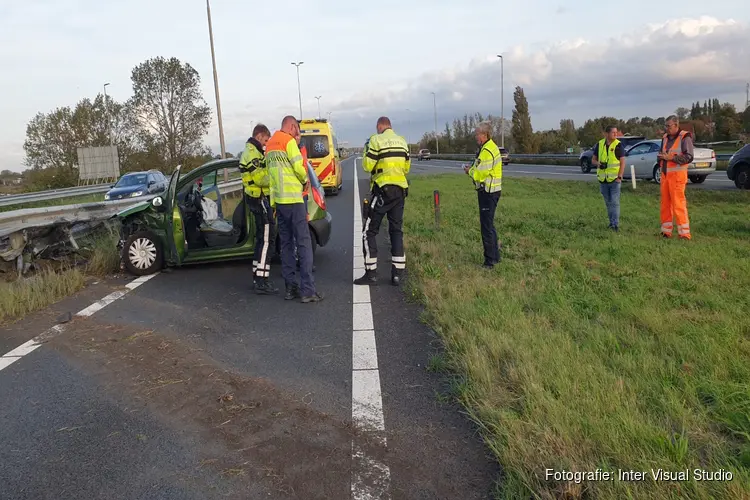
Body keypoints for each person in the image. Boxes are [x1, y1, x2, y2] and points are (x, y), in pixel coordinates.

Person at [265, 116, 323, 302]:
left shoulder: (270, 145)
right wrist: (306, 182)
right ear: (291, 127)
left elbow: (271, 176)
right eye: (297, 128)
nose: (297, 132)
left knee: (286, 245)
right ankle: (308, 290)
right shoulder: (288, 141)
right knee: (304, 244)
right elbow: (299, 168)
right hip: (295, 201)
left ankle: (290, 288)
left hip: (280, 203)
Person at [355, 116, 410, 286]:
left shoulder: (376, 140)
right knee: (396, 231)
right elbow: (407, 167)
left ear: (379, 126)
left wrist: (366, 150)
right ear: (390, 126)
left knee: (369, 232)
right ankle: (397, 275)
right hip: (400, 191)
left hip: (382, 192)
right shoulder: (402, 141)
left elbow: (367, 166)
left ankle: (371, 273)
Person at [239, 123, 278, 295]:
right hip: (259, 199)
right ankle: (261, 280)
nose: (266, 144)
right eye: (265, 140)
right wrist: (277, 177)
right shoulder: (252, 154)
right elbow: (261, 179)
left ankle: (257, 274)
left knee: (262, 239)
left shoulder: (251, 152)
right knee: (268, 239)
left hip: (256, 198)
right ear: (259, 135)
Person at [462, 121, 503, 269]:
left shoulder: (487, 151)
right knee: (490, 225)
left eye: (477, 134)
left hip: (488, 191)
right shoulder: (488, 147)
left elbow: (480, 174)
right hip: (492, 191)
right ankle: (495, 256)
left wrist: (469, 171)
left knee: (486, 227)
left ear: (484, 135)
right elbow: (479, 166)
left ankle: (489, 261)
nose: (475, 137)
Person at [657, 115, 693, 240]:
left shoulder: (685, 137)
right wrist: (660, 157)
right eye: (665, 126)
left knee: (678, 204)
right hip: (665, 175)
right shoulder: (665, 138)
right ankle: (666, 231)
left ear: (676, 125)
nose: (666, 128)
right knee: (665, 204)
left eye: (669, 126)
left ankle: (684, 234)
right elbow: (662, 154)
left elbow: (689, 157)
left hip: (677, 176)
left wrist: (671, 158)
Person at [591, 125, 625, 232]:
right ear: (606, 134)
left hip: (614, 179)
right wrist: (598, 164)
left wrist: (620, 176)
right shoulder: (600, 144)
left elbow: (622, 162)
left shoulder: (618, 145)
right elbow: (593, 160)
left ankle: (615, 225)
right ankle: (611, 223)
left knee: (614, 202)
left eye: (616, 132)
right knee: (608, 203)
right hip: (603, 180)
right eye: (613, 133)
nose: (615, 134)